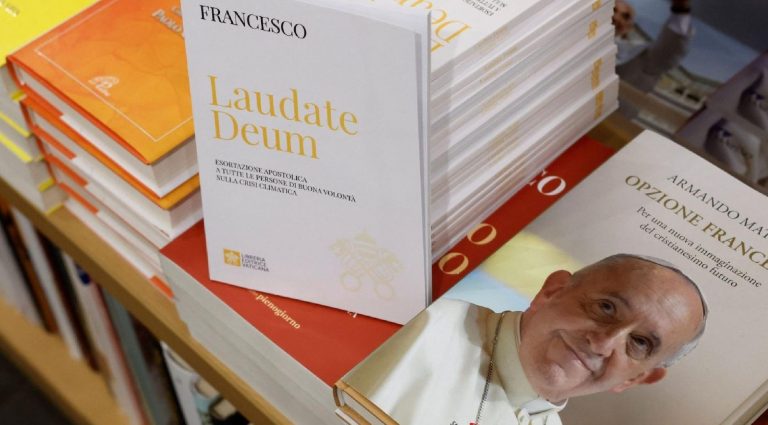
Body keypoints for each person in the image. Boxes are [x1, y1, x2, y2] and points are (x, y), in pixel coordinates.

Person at [340, 254, 708, 425]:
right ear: (553, 290)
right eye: (607, 308)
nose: (602, 342)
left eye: (639, 343)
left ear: (636, 378)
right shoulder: (422, 323)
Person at [614, 0, 694, 92]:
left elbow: (668, 50)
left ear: (629, 28)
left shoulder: (636, 54)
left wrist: (681, 9)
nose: (616, 17)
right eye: (613, 10)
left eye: (626, 16)